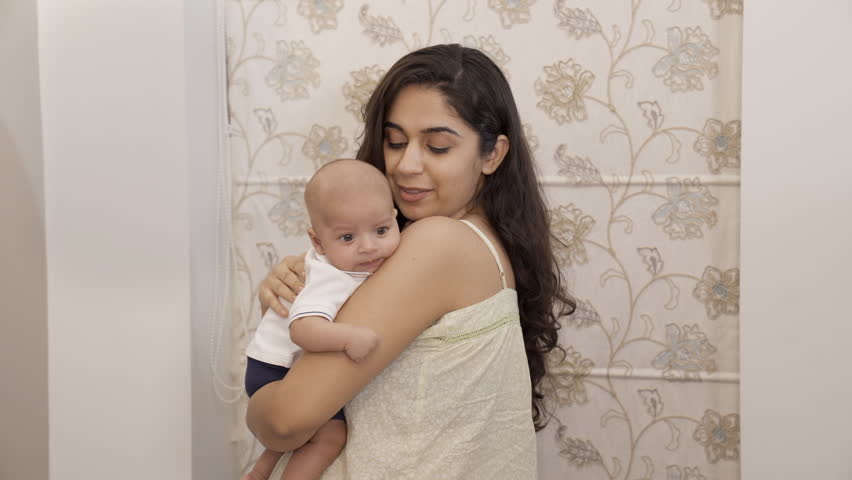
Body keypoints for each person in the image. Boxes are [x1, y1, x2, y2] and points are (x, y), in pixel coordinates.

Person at [248, 44, 575, 479]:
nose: (405, 164)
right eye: (395, 141)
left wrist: (257, 403)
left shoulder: (439, 243)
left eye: (437, 146)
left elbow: (285, 420)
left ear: (492, 154)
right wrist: (293, 300)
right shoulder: (479, 243)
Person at [242, 159, 401, 480]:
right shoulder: (331, 277)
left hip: (276, 363)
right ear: (317, 242)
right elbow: (302, 329)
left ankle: (261, 471)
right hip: (274, 370)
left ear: (395, 220)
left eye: (381, 230)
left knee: (310, 427)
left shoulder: (357, 263)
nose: (369, 247)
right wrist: (349, 339)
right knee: (329, 436)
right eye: (347, 238)